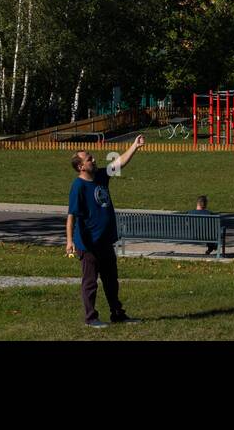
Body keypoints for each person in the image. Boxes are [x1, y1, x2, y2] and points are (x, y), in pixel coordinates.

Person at [66, 134, 146, 327]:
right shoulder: (78, 186)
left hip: (105, 241)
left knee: (111, 281)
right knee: (90, 283)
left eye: (92, 157)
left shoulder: (101, 176)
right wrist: (70, 241)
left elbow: (119, 163)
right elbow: (71, 217)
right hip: (89, 244)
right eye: (89, 159)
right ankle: (91, 318)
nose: (94, 159)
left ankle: (117, 314)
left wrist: (135, 146)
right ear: (81, 167)